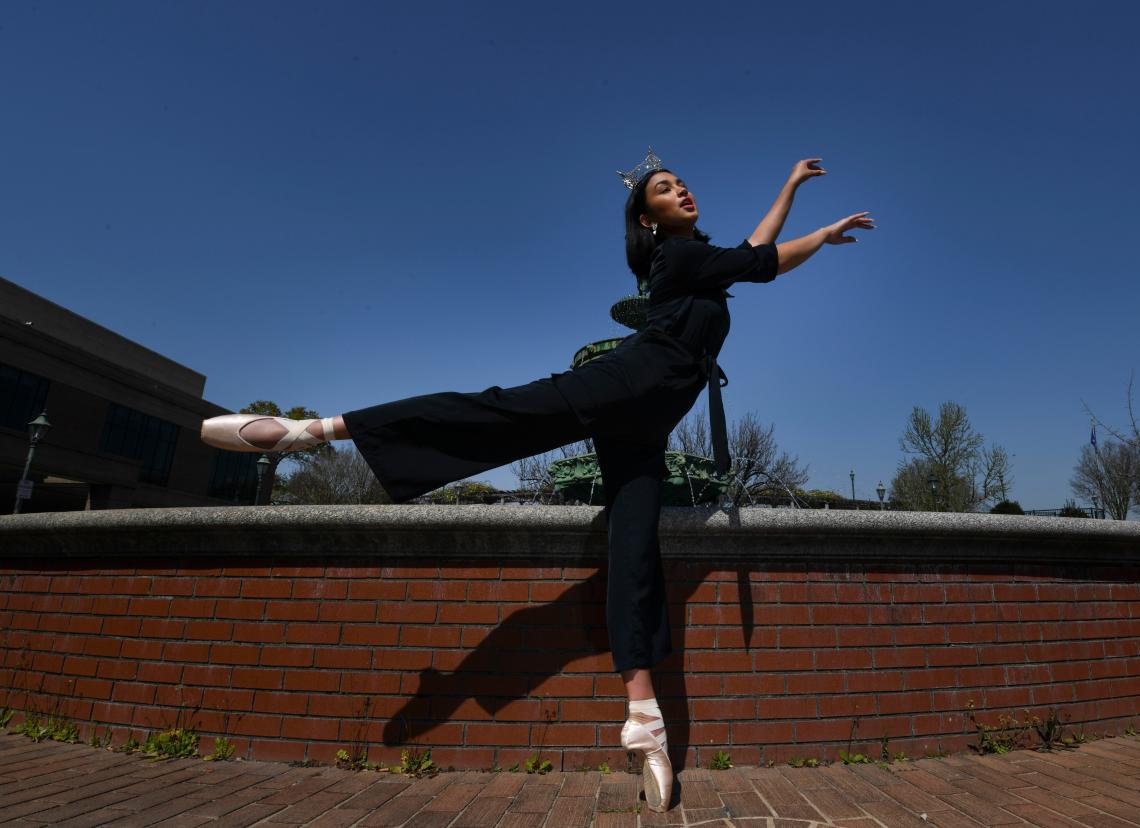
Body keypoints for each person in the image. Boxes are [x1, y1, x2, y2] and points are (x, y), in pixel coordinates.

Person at [200, 149, 875, 812]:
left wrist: (791, 189)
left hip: (648, 422)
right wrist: (816, 231)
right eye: (666, 191)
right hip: (628, 382)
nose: (682, 192)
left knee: (634, 550)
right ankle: (314, 430)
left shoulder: (705, 268)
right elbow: (763, 262)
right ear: (647, 221)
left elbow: (758, 252)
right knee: (502, 412)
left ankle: (644, 718)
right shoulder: (679, 259)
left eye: (683, 184)